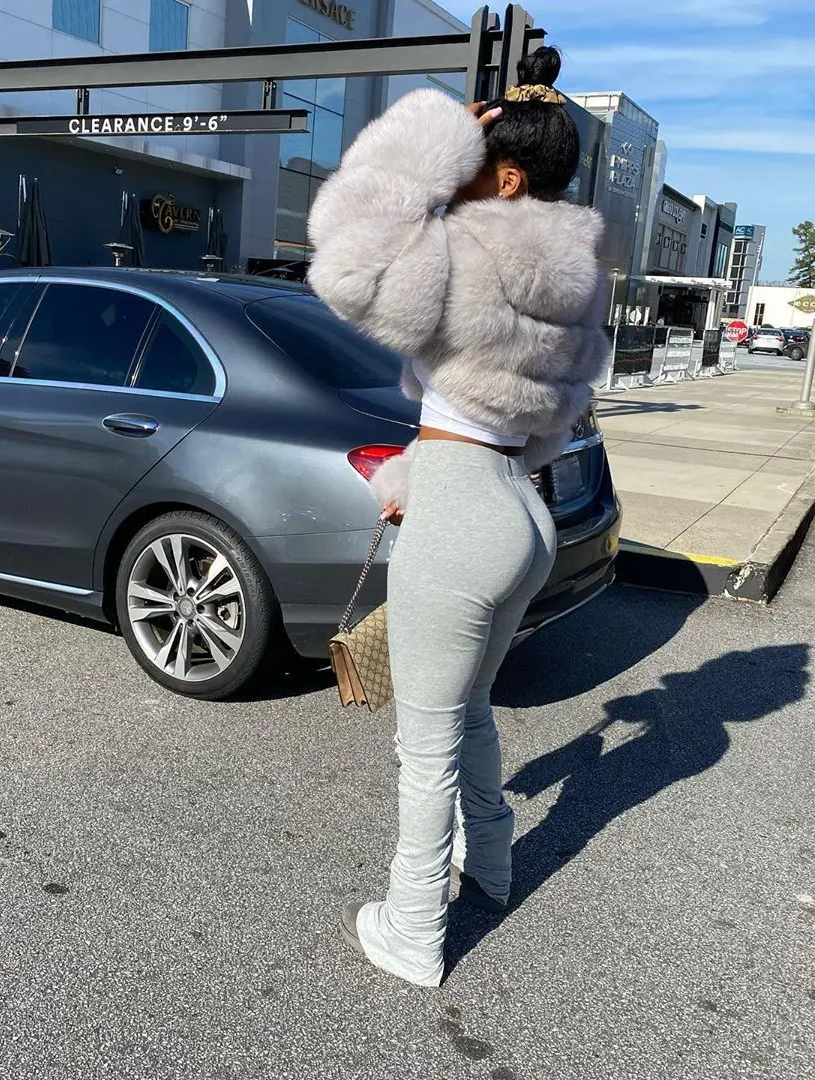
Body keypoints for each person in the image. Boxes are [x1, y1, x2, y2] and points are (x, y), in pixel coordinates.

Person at [307, 46, 610, 987]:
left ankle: (411, 931)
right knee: (468, 707)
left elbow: (342, 261)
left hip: (463, 515)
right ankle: (494, 863)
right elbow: (547, 417)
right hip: (521, 508)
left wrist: (427, 143)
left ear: (507, 176)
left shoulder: (462, 252)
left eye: (474, 164)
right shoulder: (578, 278)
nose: (458, 179)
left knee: (424, 742)